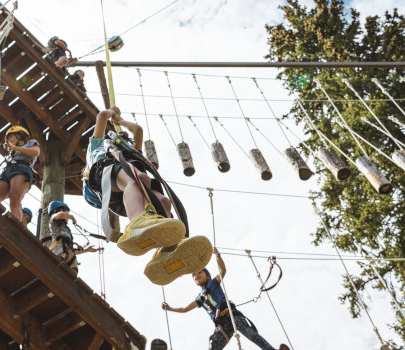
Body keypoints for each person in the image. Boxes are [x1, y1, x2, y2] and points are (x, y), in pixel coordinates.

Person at [83, 106, 212, 285]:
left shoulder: (131, 152)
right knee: (137, 178)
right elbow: (102, 116)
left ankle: (171, 247)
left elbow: (138, 131)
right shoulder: (98, 147)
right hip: (106, 173)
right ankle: (137, 222)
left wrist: (120, 122)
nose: (125, 137)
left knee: (163, 201)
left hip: (130, 191)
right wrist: (112, 114)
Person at [161, 249, 288, 350]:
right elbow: (185, 309)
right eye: (194, 275)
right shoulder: (199, 299)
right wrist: (169, 308)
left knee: (249, 333)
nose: (197, 275)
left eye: (200, 272)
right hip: (222, 324)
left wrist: (217, 255)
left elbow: (223, 271)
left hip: (231, 315)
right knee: (213, 347)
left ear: (207, 275)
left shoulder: (212, 283)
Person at [0, 125, 40, 221]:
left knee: (15, 199)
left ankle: (15, 227)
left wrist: (15, 148)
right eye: (9, 137)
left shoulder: (31, 143)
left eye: (12, 136)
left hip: (22, 169)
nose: (10, 139)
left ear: (21, 135)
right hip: (8, 170)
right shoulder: (12, 152)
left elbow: (35, 152)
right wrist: (12, 149)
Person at [46, 200, 99, 273]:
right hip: (58, 244)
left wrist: (87, 250)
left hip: (68, 249)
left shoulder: (67, 229)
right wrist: (72, 217)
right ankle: (51, 271)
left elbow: (73, 252)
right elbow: (61, 215)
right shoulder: (53, 220)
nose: (68, 216)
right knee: (58, 259)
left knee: (74, 269)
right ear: (61, 210)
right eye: (67, 213)